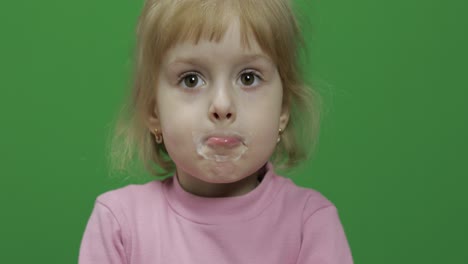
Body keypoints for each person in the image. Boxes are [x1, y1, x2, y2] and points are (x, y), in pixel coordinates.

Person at [79, 0, 354, 263]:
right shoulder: (120, 226)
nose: (222, 105)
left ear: (283, 109)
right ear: (154, 112)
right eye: (191, 79)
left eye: (248, 77)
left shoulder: (310, 225)